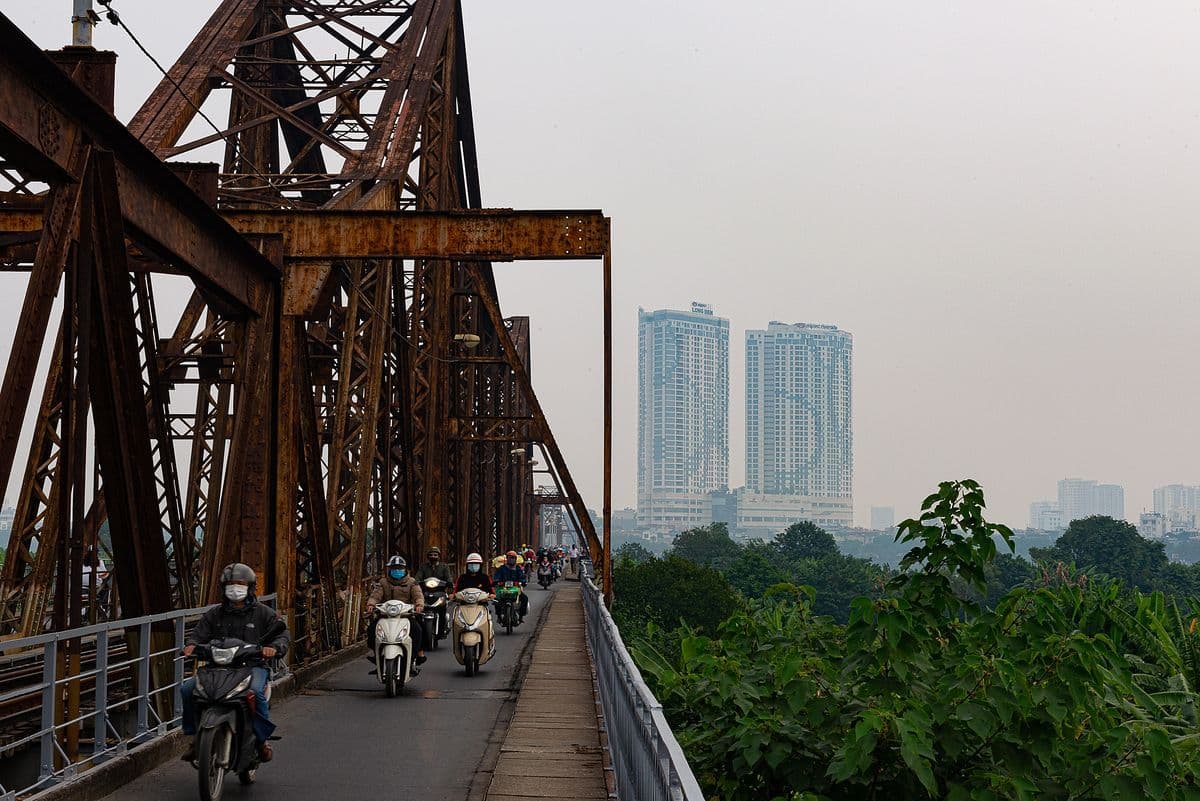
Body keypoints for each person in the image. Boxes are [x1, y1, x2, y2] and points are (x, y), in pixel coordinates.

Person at [180, 563, 289, 763]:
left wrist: (274, 648)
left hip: (252, 666)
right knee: (187, 688)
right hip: (218, 668)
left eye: (240, 584)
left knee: (255, 693)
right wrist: (191, 645)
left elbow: (281, 634)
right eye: (230, 584)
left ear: (250, 587)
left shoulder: (263, 613)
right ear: (223, 588)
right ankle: (194, 737)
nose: (235, 588)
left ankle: (262, 740)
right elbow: (198, 634)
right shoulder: (215, 613)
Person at [366, 556, 427, 664]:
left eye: (399, 568)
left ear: (405, 569)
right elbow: (376, 595)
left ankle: (419, 653)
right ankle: (376, 653)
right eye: (394, 568)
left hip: (406, 615)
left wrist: (419, 605)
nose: (397, 570)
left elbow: (418, 596)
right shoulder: (383, 582)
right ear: (389, 570)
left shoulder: (412, 582)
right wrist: (371, 604)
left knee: (419, 629)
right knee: (372, 630)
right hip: (386, 615)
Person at [493, 550, 529, 620]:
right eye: (510, 557)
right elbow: (497, 577)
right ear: (507, 558)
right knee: (496, 599)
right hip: (503, 590)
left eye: (513, 558)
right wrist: (497, 581)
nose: (511, 559)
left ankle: (521, 616)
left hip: (515, 589)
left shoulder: (518, 569)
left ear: (515, 559)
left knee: (525, 599)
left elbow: (522, 577)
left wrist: (522, 582)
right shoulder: (501, 568)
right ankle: (499, 616)